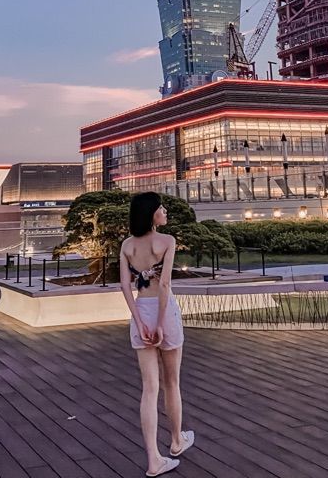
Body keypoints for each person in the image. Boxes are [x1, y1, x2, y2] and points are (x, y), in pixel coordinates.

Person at [119, 192, 194, 477]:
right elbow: (164, 285)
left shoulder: (127, 245)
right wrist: (161, 323)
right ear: (152, 213)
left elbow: (125, 286)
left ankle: (153, 459)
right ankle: (176, 441)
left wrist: (140, 322)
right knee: (172, 382)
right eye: (161, 208)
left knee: (149, 388)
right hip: (165, 313)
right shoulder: (167, 241)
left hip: (141, 311)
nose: (165, 211)